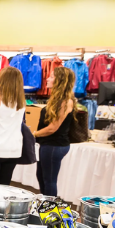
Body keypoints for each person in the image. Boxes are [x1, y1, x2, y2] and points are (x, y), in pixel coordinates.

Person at [34, 66, 76, 196]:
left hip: (54, 145)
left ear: (60, 81)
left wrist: (34, 134)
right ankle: (45, 205)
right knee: (42, 177)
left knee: (49, 180)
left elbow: (53, 128)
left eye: (52, 77)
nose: (47, 79)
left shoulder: (65, 102)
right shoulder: (57, 100)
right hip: (48, 144)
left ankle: (51, 208)